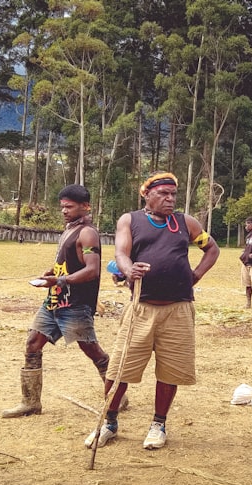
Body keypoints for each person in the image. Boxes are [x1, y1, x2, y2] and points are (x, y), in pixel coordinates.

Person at [84, 171, 220, 450]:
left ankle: (159, 424)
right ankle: (109, 422)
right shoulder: (130, 220)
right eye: (163, 194)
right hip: (141, 307)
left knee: (171, 371)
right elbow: (121, 253)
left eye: (173, 194)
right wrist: (128, 269)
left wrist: (196, 275)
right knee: (119, 369)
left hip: (179, 309)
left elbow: (212, 249)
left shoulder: (186, 222)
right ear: (147, 194)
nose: (170, 199)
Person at [2, 184, 116, 418]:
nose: (64, 211)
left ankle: (117, 395)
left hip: (76, 303)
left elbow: (92, 270)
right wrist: (51, 272)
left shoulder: (87, 233)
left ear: (85, 207)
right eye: (62, 207)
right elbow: (67, 262)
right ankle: (31, 402)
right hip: (54, 301)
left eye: (70, 207)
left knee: (91, 350)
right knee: (33, 343)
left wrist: (60, 280)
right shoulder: (69, 229)